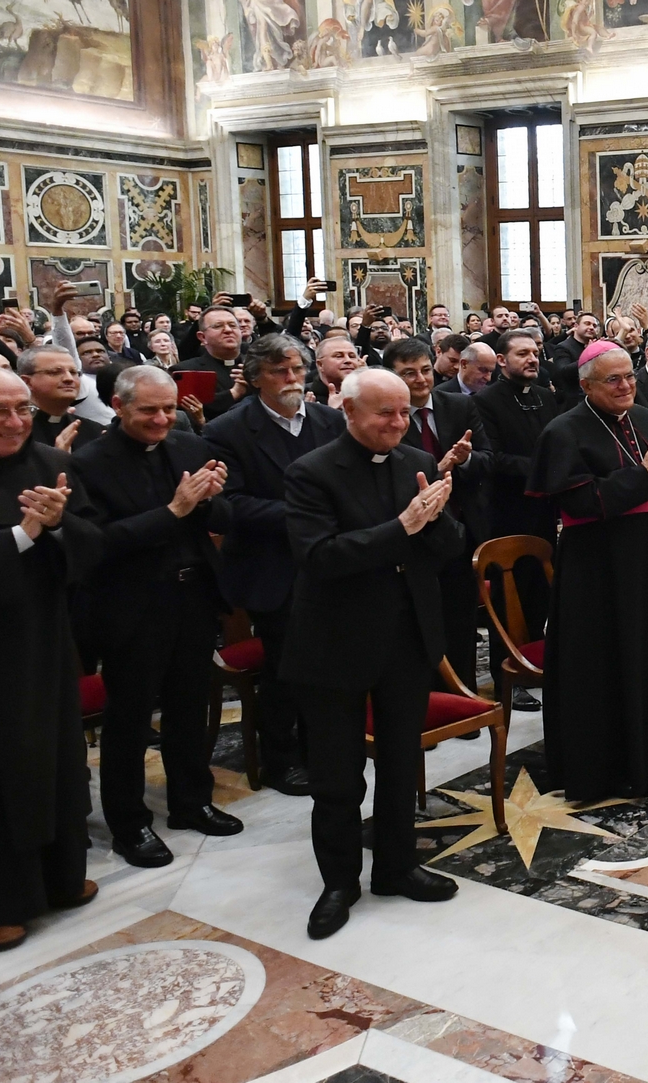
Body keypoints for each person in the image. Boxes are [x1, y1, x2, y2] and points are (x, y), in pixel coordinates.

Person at [284, 368, 465, 940]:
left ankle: (396, 866)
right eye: (385, 412)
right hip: (335, 645)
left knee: (399, 762)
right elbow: (320, 557)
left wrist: (434, 521)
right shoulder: (311, 473)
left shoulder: (417, 459)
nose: (397, 423)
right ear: (349, 411)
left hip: (406, 639)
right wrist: (404, 526)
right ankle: (339, 881)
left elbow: (447, 547)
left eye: (405, 411)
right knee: (337, 776)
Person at [0, 362, 101, 952]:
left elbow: (93, 544)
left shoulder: (53, 465)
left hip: (42, 643)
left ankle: (57, 875)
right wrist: (22, 535)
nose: (15, 422)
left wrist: (58, 531)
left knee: (51, 757)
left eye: (23, 409)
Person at [72, 365, 241, 868]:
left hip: (193, 598)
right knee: (130, 718)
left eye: (169, 408)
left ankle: (192, 801)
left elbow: (225, 519)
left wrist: (210, 502)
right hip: (132, 607)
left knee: (191, 706)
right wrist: (174, 510)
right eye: (149, 410)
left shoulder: (188, 446)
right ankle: (129, 823)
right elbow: (97, 544)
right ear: (119, 407)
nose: (163, 419)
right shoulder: (89, 463)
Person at [528, 342, 648, 799]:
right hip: (597, 571)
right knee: (601, 666)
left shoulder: (643, 418)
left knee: (647, 658)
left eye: (630, 378)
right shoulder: (564, 432)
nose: (626, 387)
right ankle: (599, 770)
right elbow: (581, 502)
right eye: (613, 380)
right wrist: (644, 474)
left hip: (647, 564)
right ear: (586, 385)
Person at [204, 333, 346, 795]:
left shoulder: (329, 421)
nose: (290, 379)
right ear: (254, 377)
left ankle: (321, 747)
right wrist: (307, 515)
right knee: (286, 671)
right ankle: (280, 760)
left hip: (329, 564)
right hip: (272, 569)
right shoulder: (227, 430)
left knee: (330, 666)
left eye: (297, 370)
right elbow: (233, 504)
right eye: (278, 371)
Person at [386, 338, 487, 693]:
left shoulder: (458, 405)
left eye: (425, 370)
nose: (420, 379)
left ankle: (465, 694)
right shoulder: (388, 417)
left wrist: (466, 460)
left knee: (460, 622)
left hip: (460, 528)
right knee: (422, 624)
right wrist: (437, 469)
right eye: (408, 373)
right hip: (413, 537)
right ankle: (429, 699)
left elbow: (487, 459)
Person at [475, 328, 564, 543]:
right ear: (501, 360)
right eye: (523, 354)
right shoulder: (485, 401)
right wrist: (543, 469)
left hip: (546, 505)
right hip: (509, 506)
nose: (533, 360)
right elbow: (493, 458)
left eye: (535, 353)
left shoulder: (544, 395)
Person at [21, 345, 105, 451]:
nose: (69, 379)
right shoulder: (14, 431)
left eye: (74, 372)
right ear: (27, 382)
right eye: (55, 372)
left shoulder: (95, 432)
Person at [175, 305, 250, 418]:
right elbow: (189, 413)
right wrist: (233, 393)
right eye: (218, 326)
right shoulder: (185, 371)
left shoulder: (258, 366)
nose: (228, 330)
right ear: (202, 337)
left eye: (233, 325)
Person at [306, 333, 363, 406]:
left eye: (352, 356)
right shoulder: (306, 397)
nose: (348, 360)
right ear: (320, 365)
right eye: (339, 356)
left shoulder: (367, 393)